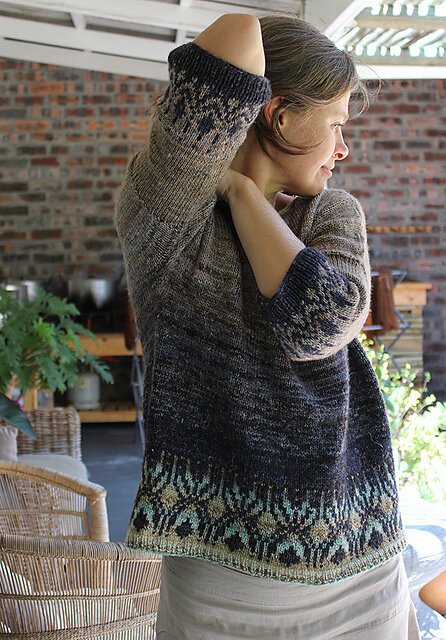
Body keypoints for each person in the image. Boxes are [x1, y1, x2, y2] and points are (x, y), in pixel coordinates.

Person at [115, 12, 421, 640]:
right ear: (279, 115)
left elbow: (322, 323)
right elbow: (236, 32)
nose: (344, 148)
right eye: (335, 124)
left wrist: (242, 193)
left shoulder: (331, 214)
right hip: (224, 580)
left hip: (361, 562)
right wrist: (225, 185)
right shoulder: (168, 218)